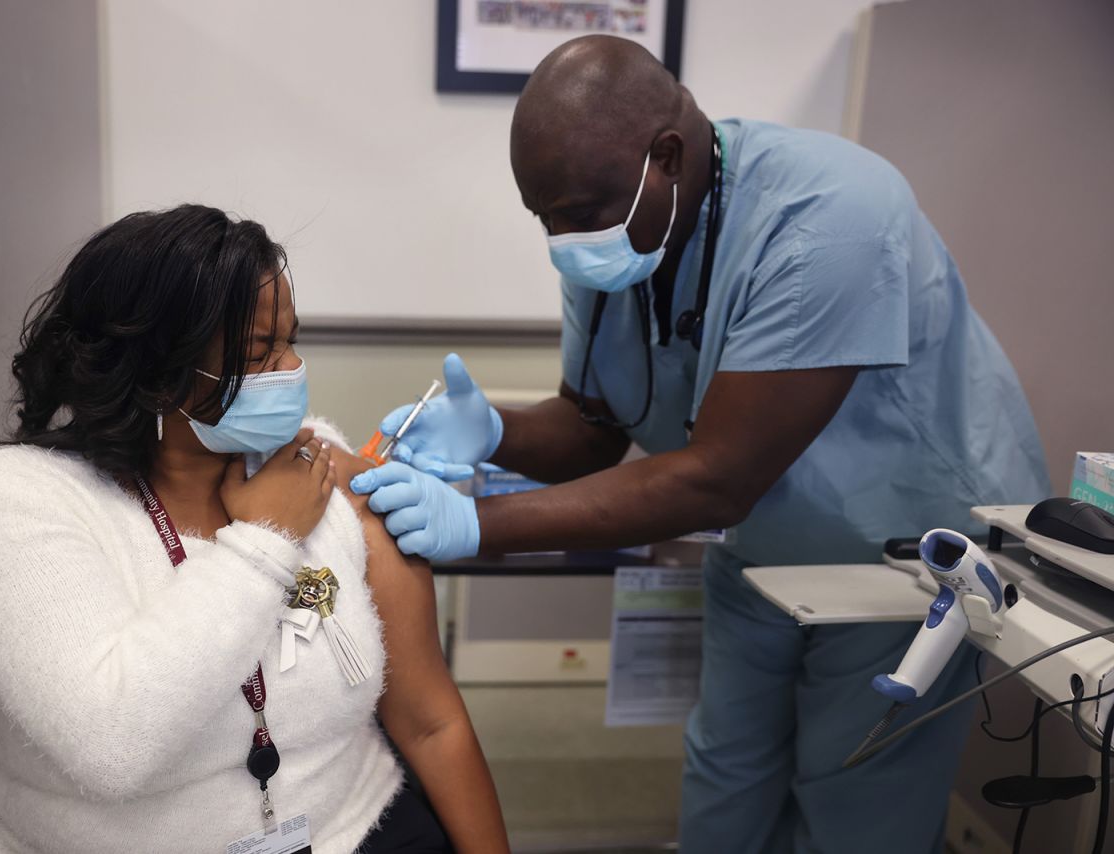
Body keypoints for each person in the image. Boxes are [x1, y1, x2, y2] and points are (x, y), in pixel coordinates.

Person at [349, 36, 1051, 854]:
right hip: (757, 551)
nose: (562, 241)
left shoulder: (831, 217)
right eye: (544, 219)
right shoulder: (617, 230)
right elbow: (593, 426)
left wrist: (477, 525)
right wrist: (494, 430)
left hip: (900, 562)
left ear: (668, 156)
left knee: (855, 794)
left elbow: (717, 479)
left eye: (575, 215)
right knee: (724, 773)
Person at [0, 205, 509, 854]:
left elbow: (432, 722)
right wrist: (266, 539)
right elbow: (110, 745)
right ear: (156, 377)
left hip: (347, 829)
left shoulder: (318, 467)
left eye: (293, 340)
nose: (292, 369)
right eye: (258, 352)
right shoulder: (22, 496)